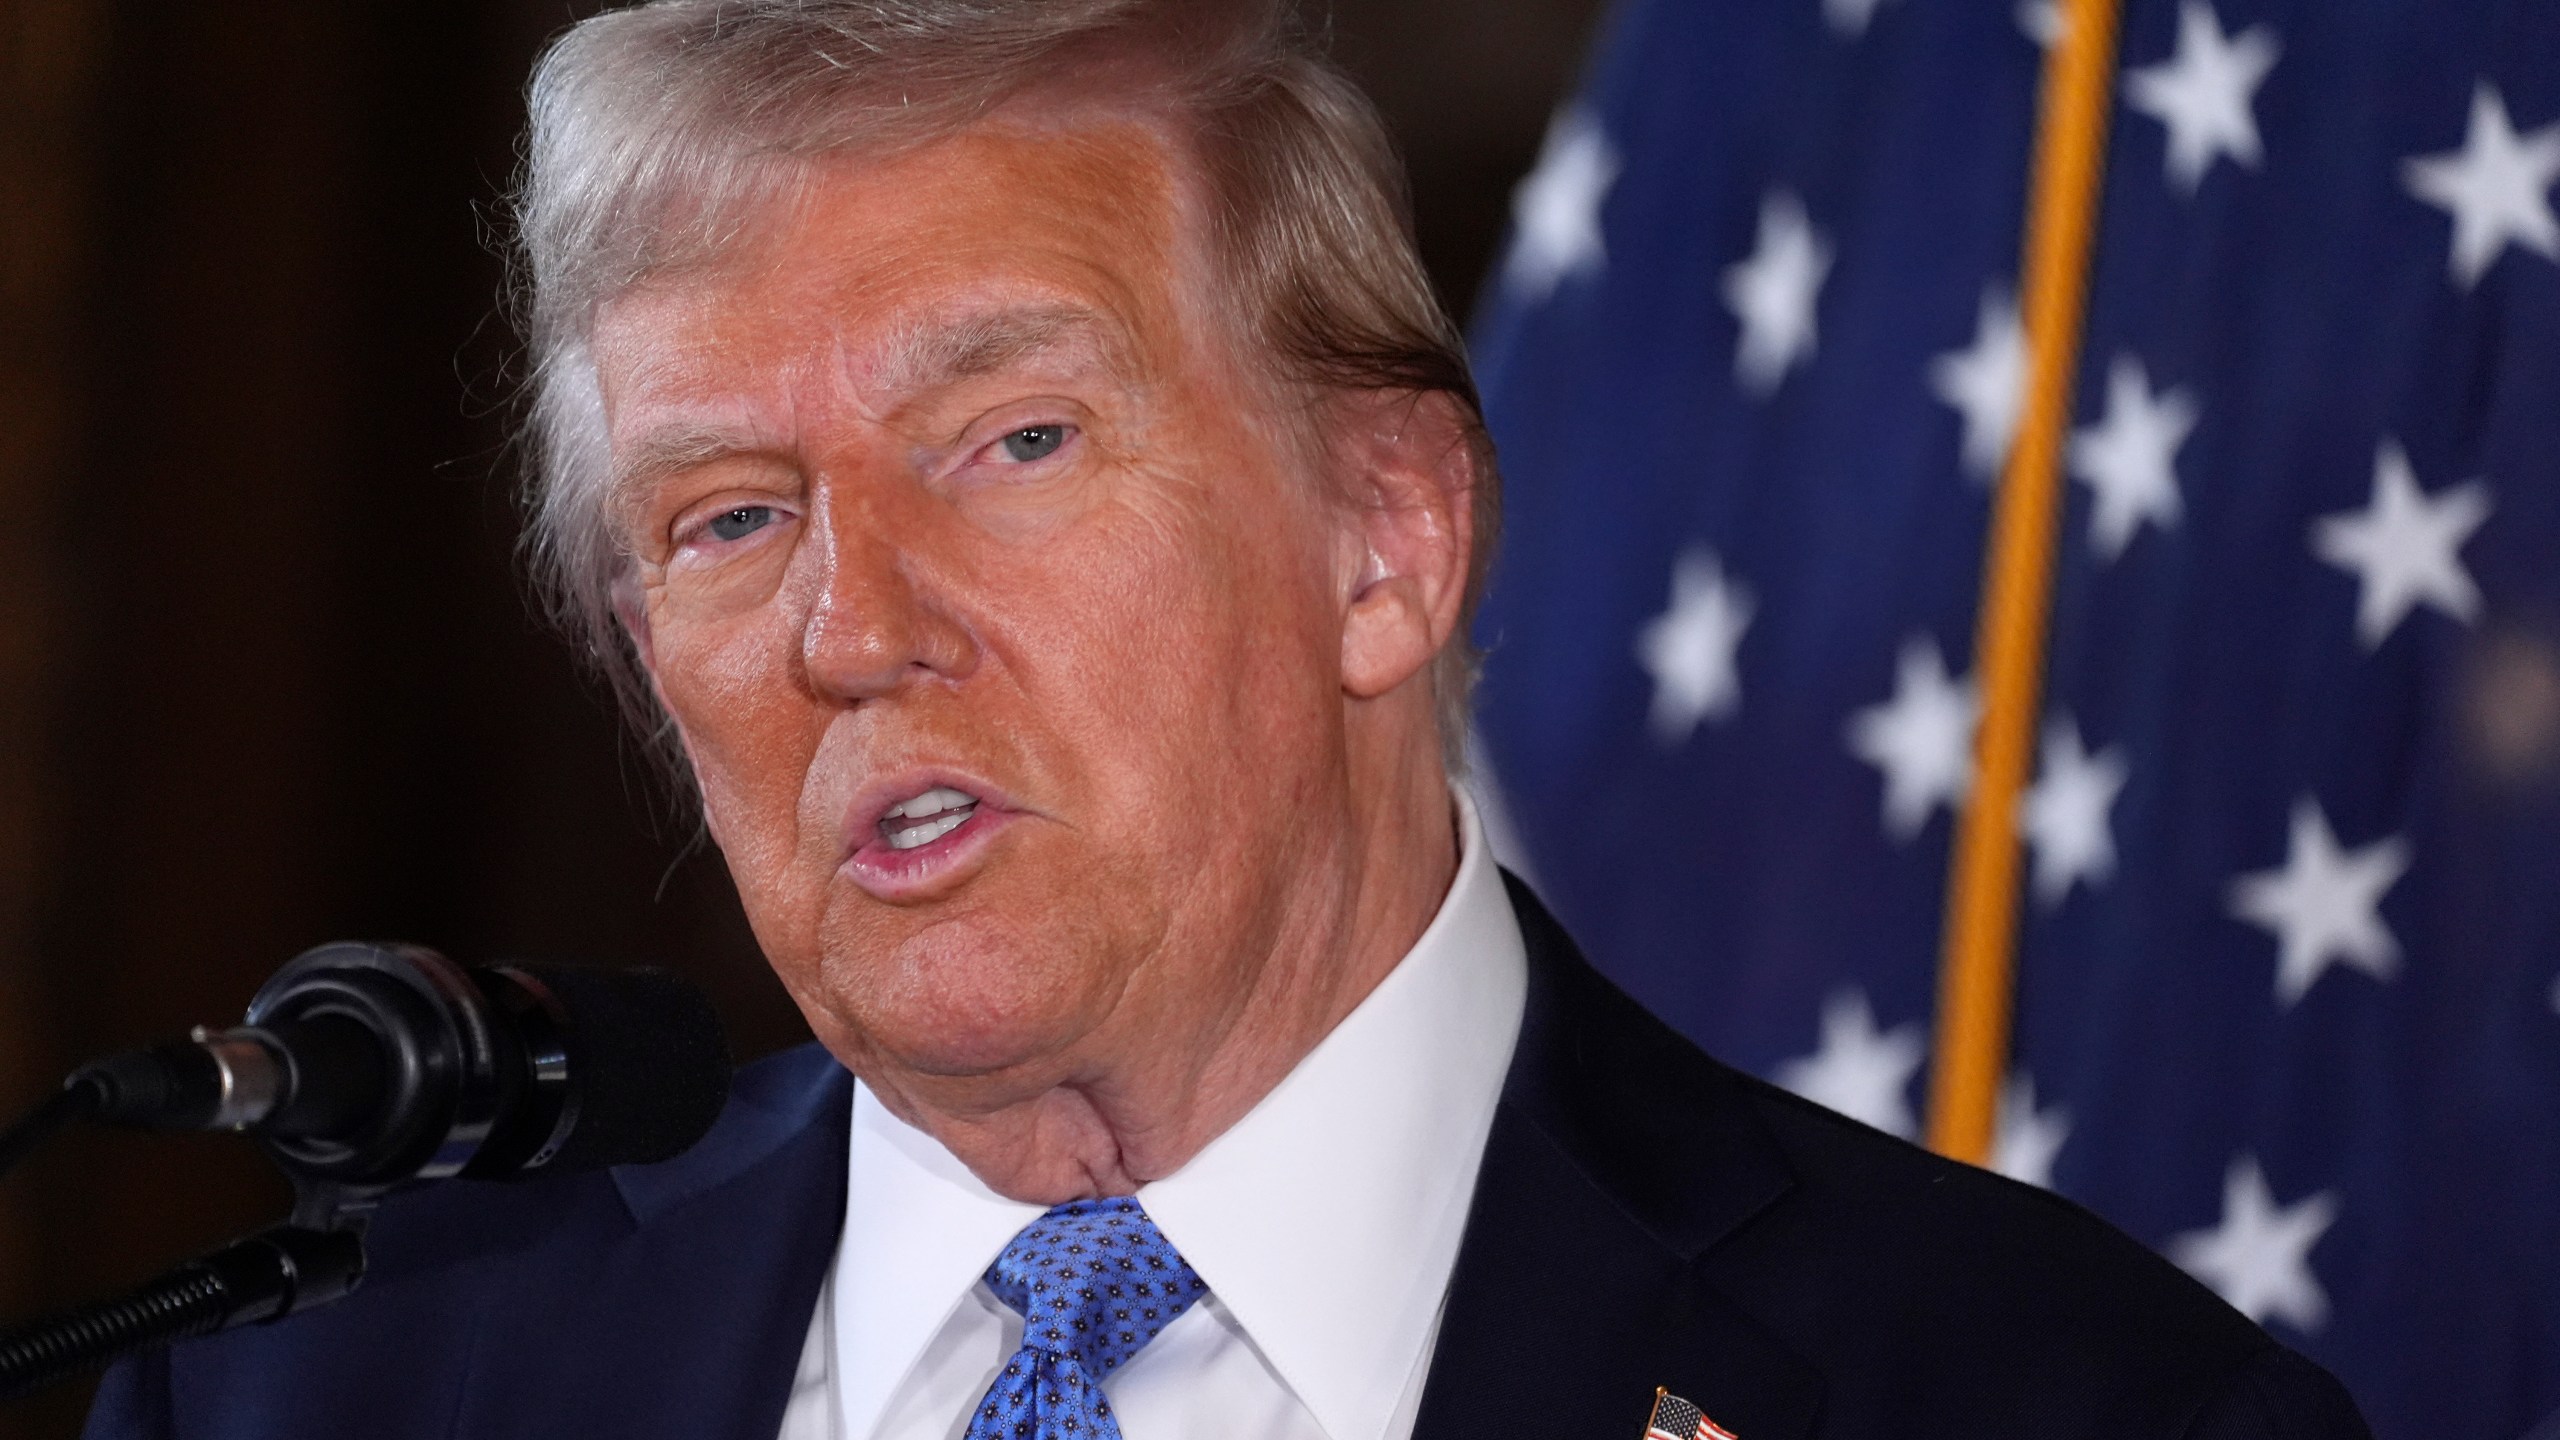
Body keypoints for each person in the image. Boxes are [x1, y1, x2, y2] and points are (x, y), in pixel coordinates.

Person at [86, 2, 2372, 1437]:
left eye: (1014, 443)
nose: (848, 626)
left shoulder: (2049, 1403)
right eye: (723, 517)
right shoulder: (312, 1382)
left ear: (1386, 537)